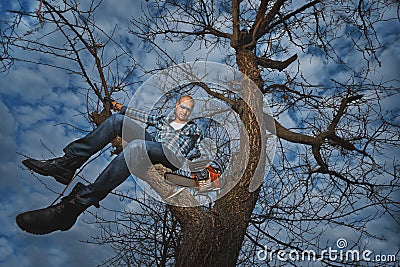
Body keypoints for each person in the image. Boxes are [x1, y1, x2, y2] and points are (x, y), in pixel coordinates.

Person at [16, 95, 203, 235]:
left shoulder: (193, 128)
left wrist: (203, 173)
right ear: (177, 105)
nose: (185, 111)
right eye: (183, 106)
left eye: (189, 109)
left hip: (170, 155)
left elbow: (199, 153)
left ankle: (75, 205)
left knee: (136, 147)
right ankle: (68, 162)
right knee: (117, 120)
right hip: (152, 145)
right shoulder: (165, 120)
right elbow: (142, 116)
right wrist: (118, 106)